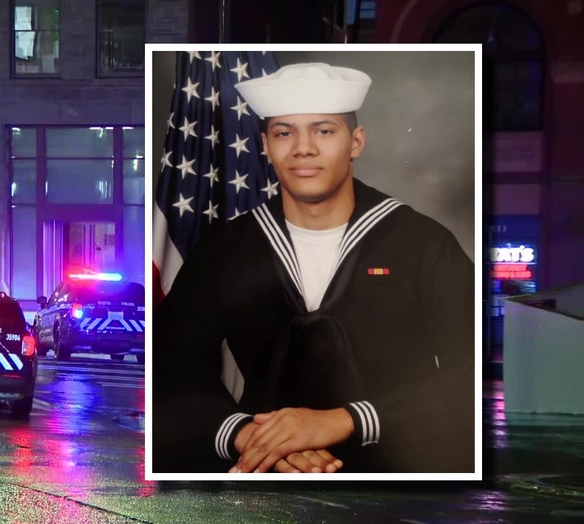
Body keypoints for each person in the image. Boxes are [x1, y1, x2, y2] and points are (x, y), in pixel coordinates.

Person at [152, 62, 474, 473]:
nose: (303, 148)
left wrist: (342, 422)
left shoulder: (423, 244)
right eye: (284, 133)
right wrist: (247, 435)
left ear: (356, 142)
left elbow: (468, 375)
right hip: (263, 473)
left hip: (400, 473)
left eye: (323, 131)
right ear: (265, 145)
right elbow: (171, 366)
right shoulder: (226, 249)